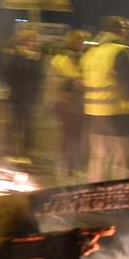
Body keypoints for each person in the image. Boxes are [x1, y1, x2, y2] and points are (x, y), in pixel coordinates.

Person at [81, 15, 129, 181]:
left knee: (98, 159)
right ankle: (118, 201)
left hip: (95, 115)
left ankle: (94, 198)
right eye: (128, 29)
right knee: (122, 162)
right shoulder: (121, 52)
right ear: (119, 31)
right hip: (120, 116)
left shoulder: (91, 53)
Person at [46, 30, 89, 178]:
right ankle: (63, 163)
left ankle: (73, 164)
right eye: (80, 41)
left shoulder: (86, 59)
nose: (82, 44)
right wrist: (71, 83)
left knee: (77, 136)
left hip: (80, 103)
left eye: (83, 41)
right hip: (64, 103)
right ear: (72, 41)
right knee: (65, 135)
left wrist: (83, 83)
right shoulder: (59, 59)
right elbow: (53, 81)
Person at [1, 27, 44, 165]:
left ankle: (28, 152)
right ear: (24, 41)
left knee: (29, 126)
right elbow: (8, 75)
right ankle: (10, 151)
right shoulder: (15, 56)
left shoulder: (37, 57)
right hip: (17, 96)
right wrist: (14, 89)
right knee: (14, 124)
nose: (35, 43)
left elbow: (39, 78)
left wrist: (36, 93)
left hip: (30, 97)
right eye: (32, 40)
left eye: (35, 40)